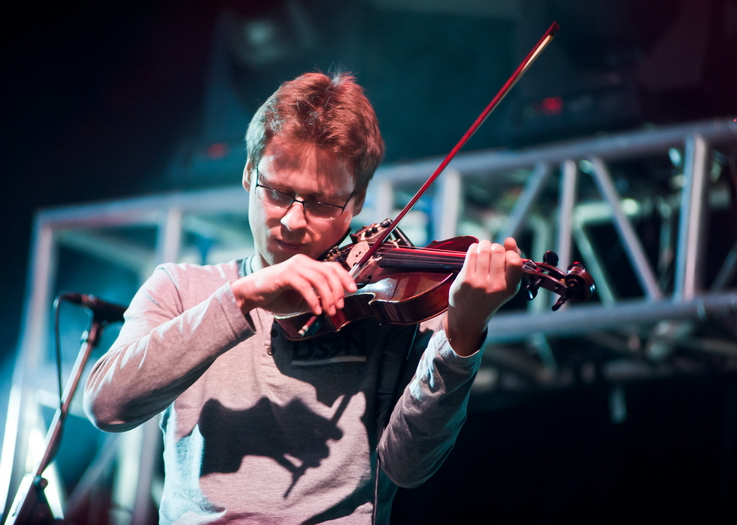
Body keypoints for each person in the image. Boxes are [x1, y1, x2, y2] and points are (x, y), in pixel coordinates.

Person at [84, 71, 523, 524]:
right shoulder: (179, 287)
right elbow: (107, 405)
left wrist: (462, 335)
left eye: (320, 203)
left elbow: (409, 466)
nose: (293, 222)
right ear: (248, 174)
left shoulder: (391, 303)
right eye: (277, 193)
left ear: (356, 201)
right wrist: (241, 299)